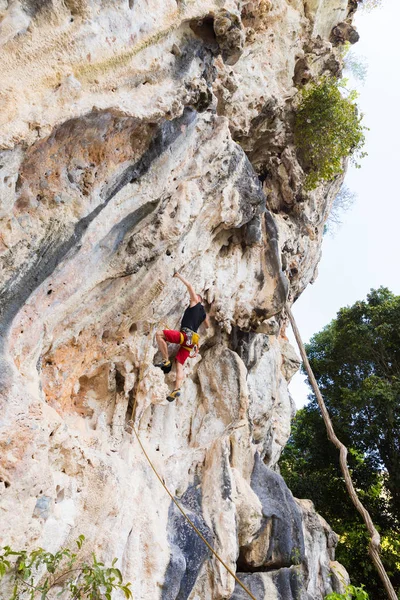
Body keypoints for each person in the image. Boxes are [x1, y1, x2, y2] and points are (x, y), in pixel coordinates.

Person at [155, 272, 209, 402]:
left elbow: (189, 285)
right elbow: (207, 326)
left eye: (194, 297)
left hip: (185, 335)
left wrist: (178, 275)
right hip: (192, 341)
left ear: (198, 299)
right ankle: (176, 389)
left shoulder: (195, 302)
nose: (191, 298)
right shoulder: (203, 314)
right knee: (179, 364)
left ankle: (165, 360)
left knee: (159, 334)